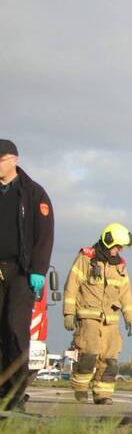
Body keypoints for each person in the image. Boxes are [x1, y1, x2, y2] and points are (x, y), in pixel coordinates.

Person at [0, 139, 54, 410]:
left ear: (14, 160)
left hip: (21, 273)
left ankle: (15, 394)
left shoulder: (33, 193)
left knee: (14, 329)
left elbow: (44, 235)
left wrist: (39, 270)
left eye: (0, 160)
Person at [64, 223, 132, 404]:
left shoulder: (120, 266)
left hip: (111, 320)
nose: (119, 250)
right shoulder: (86, 258)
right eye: (118, 246)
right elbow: (72, 286)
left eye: (122, 247)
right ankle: (80, 389)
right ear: (108, 240)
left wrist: (131, 319)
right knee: (88, 355)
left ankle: (103, 394)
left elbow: (125, 294)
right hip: (89, 316)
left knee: (110, 360)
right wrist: (68, 313)